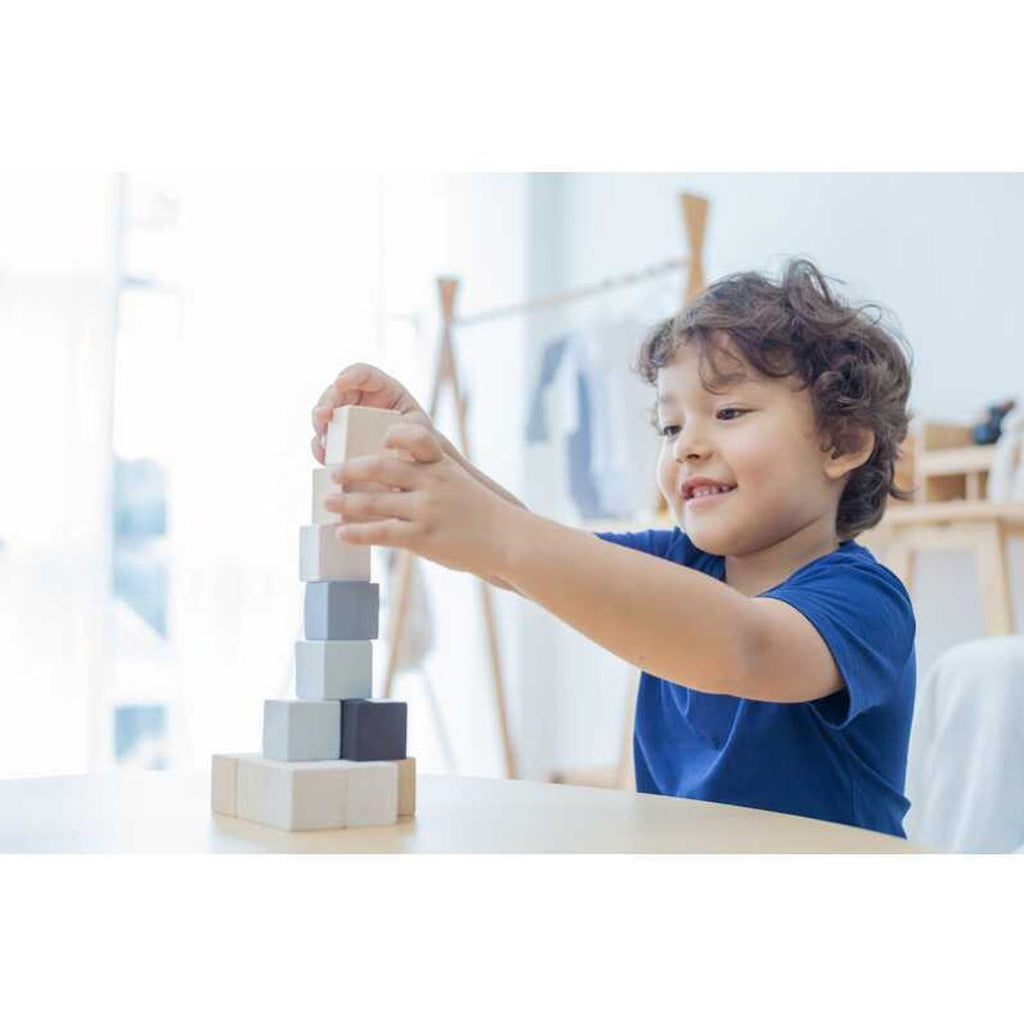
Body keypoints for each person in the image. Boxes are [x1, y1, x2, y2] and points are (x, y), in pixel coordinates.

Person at [310, 258, 916, 838]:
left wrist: (495, 531)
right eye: (671, 426)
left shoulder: (864, 600)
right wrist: (434, 453)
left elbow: (743, 646)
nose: (687, 447)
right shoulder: (682, 562)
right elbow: (537, 563)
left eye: (728, 411)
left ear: (840, 444)